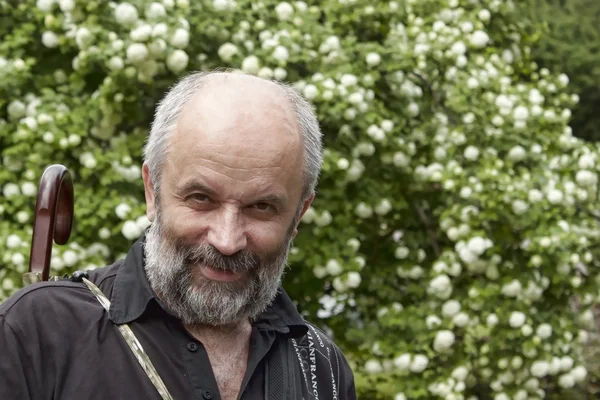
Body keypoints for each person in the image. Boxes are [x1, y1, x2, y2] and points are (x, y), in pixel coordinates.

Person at [0, 71, 357, 400]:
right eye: (201, 199)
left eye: (261, 207)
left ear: (299, 214)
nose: (227, 240)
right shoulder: (34, 333)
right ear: (152, 191)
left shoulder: (322, 368)